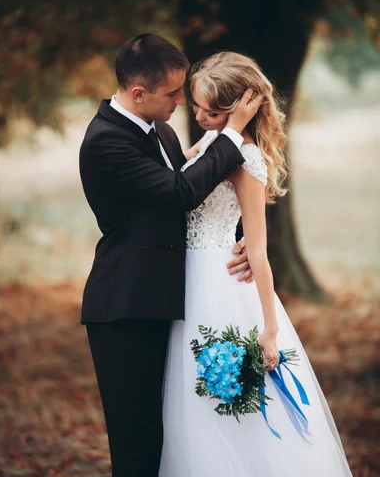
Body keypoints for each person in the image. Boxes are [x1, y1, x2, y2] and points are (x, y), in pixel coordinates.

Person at [160, 52, 353, 477]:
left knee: (228, 398)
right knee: (190, 396)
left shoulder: (247, 160)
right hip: (186, 280)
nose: (200, 116)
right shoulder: (213, 141)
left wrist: (269, 328)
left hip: (220, 281)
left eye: (213, 111)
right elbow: (177, 181)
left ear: (241, 109)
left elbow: (259, 251)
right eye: (196, 107)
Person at [79, 34, 261, 477]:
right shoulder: (105, 142)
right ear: (138, 93)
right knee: (137, 441)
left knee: (175, 433)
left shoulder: (159, 129)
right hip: (126, 307)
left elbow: (200, 200)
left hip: (172, 302)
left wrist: (243, 239)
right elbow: (180, 193)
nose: (183, 100)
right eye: (173, 93)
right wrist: (233, 131)